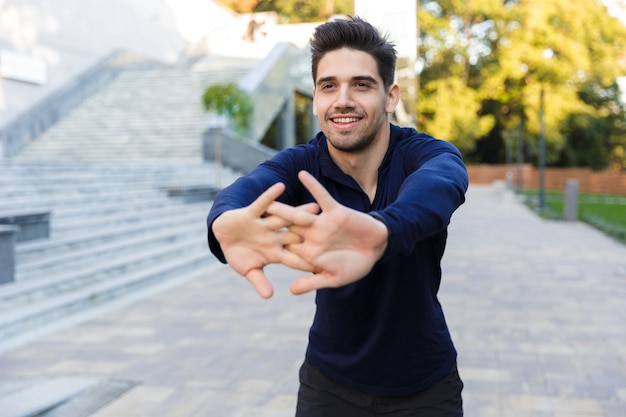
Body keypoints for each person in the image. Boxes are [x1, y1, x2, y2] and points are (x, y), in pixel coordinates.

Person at [207, 15, 468, 417]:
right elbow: (248, 188)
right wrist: (223, 219)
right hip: (328, 386)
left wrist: (382, 230)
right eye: (329, 86)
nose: (343, 99)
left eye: (361, 85)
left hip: (425, 385)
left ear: (391, 96)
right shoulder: (303, 163)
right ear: (315, 98)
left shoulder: (426, 154)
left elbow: (441, 183)